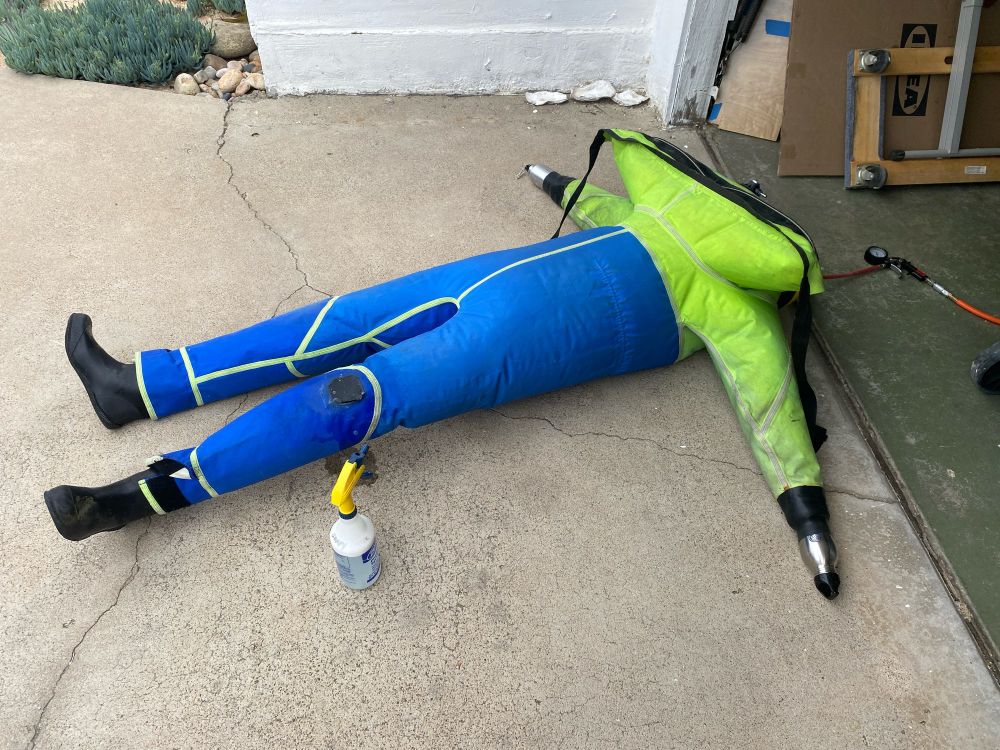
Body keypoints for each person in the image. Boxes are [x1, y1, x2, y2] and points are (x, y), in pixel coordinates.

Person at [44, 128, 841, 598]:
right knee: (334, 323)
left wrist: (806, 509)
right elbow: (600, 205)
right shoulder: (656, 209)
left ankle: (140, 496)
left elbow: (772, 406)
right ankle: (138, 387)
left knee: (353, 395)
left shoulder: (738, 311)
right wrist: (554, 182)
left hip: (506, 345)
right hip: (474, 280)